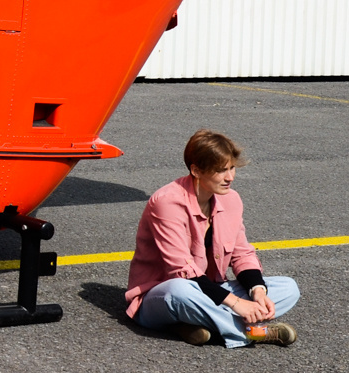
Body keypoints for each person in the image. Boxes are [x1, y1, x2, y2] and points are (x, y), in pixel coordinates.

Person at [125, 129, 300, 347]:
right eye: (221, 171)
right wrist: (237, 304)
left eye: (232, 167)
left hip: (211, 291)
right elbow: (182, 271)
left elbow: (242, 253)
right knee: (180, 291)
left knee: (289, 287)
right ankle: (252, 332)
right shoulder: (167, 202)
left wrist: (258, 291)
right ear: (196, 170)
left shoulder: (231, 200)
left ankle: (197, 325)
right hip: (161, 296)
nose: (230, 177)